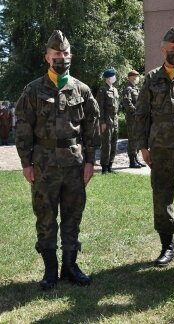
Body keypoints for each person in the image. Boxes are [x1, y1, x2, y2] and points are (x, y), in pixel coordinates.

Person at [15, 30, 100, 289]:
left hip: (74, 165)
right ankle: (50, 271)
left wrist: (90, 162)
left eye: (65, 54)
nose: (61, 58)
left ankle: (71, 267)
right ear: (47, 57)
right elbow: (23, 128)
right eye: (56, 54)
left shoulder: (82, 90)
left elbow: (92, 128)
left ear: (70, 56)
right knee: (46, 216)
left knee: (73, 216)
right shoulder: (32, 90)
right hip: (43, 165)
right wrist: (26, 163)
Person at [135, 27, 174, 267]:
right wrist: (143, 146)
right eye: (172, 49)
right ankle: (167, 245)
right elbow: (141, 114)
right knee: (162, 195)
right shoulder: (152, 78)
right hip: (160, 147)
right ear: (163, 50)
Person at [96, 68, 119, 174]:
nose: (114, 78)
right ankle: (104, 167)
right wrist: (102, 122)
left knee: (114, 143)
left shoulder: (115, 90)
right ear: (108, 78)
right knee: (106, 144)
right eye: (113, 76)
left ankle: (110, 165)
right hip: (106, 120)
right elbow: (99, 108)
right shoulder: (102, 90)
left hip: (115, 120)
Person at [122, 70, 146, 169]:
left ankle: (136, 159)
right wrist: (136, 112)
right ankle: (132, 161)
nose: (137, 78)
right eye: (135, 76)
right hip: (132, 117)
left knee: (136, 139)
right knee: (132, 139)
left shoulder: (135, 88)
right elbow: (127, 103)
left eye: (137, 76)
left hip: (137, 117)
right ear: (130, 77)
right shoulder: (128, 89)